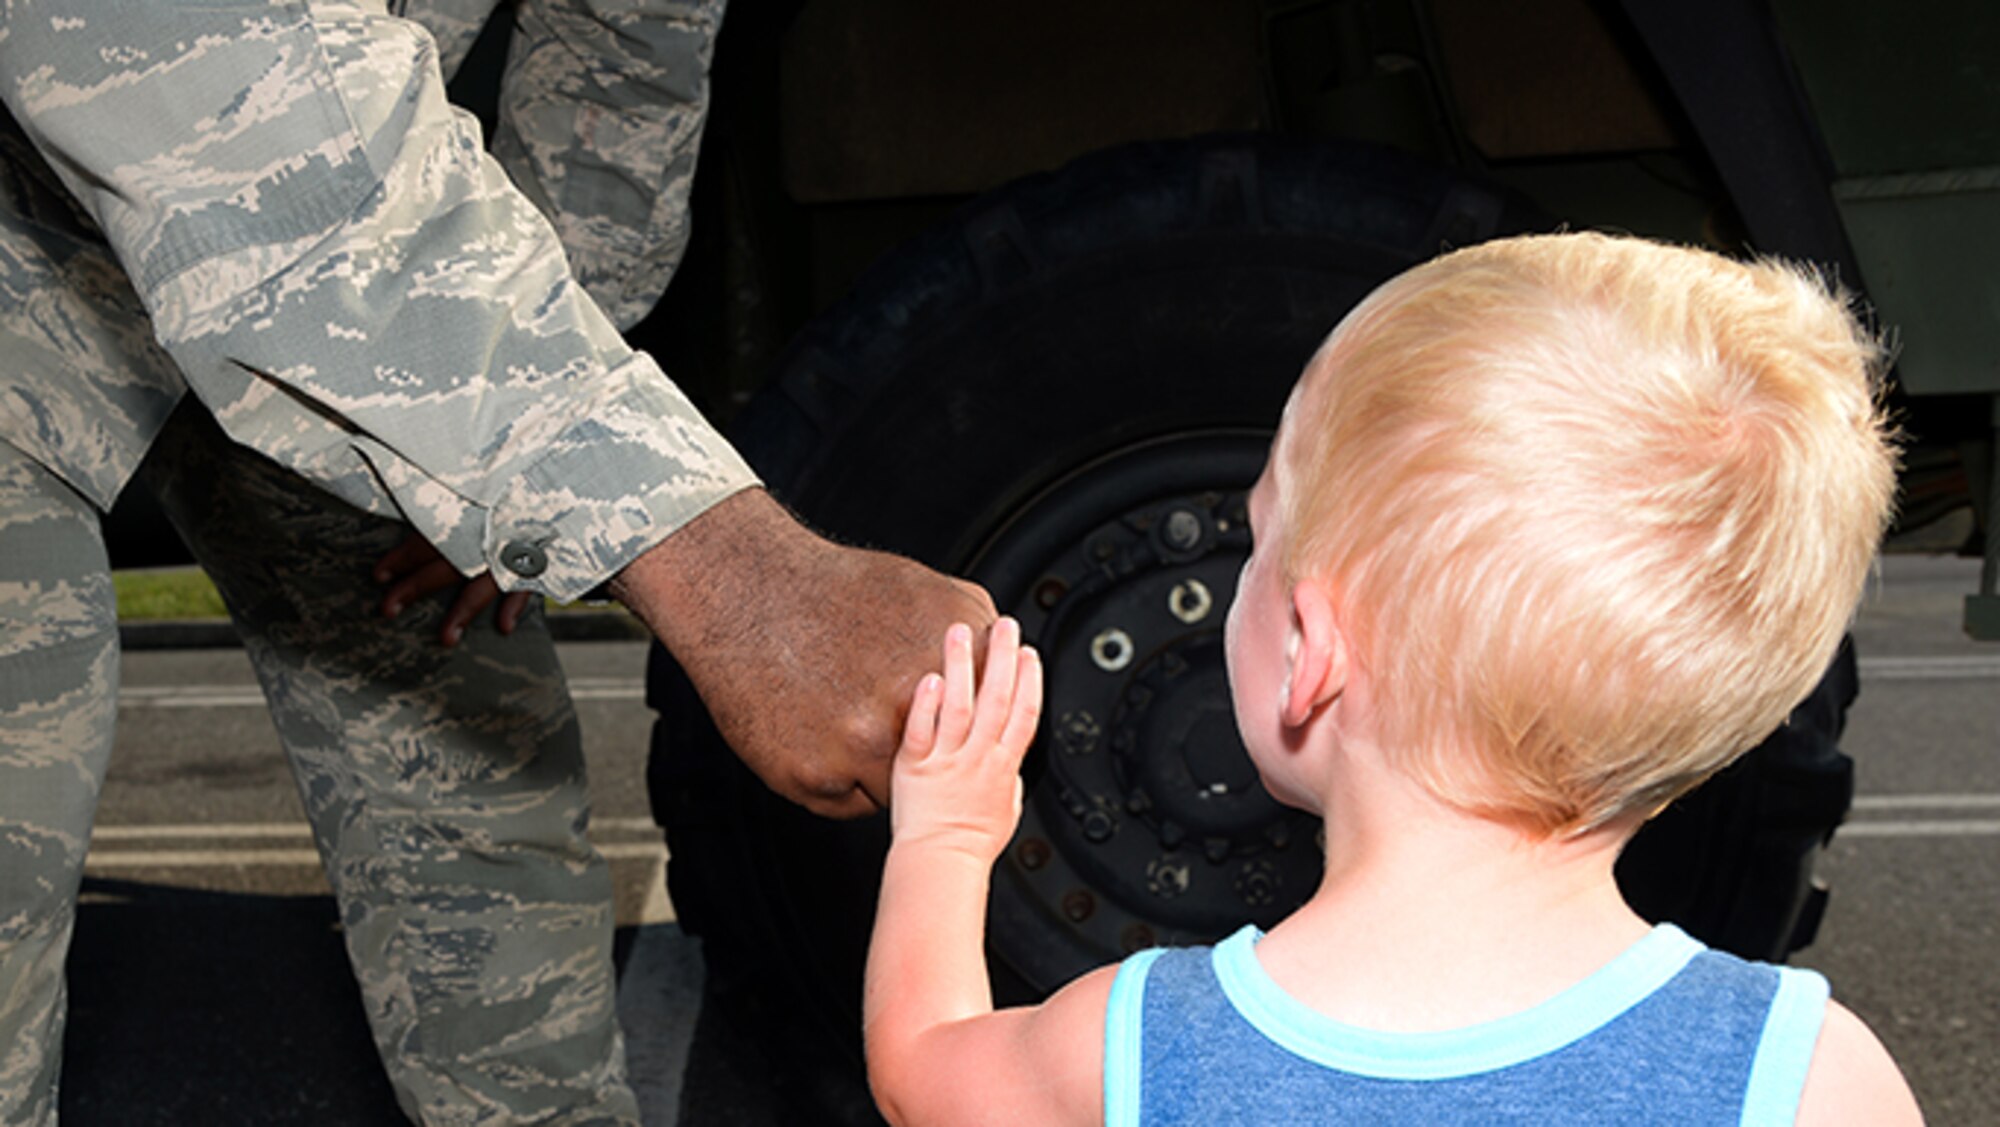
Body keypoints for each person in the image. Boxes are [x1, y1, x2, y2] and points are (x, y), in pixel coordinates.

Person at [0, 3, 991, 1124]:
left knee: (476, 767)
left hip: (354, 249)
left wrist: (491, 474)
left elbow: (619, 68)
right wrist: (703, 549)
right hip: (69, 226)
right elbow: (205, 79)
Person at [862, 233, 1923, 1125]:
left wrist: (944, 836)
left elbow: (921, 1068)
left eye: (1258, 540)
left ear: (1305, 655)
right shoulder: (1809, 1078)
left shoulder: (1131, 1051)